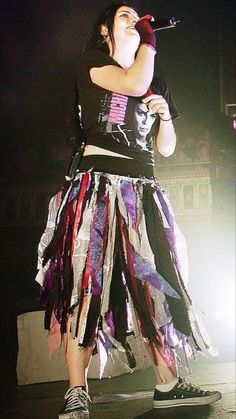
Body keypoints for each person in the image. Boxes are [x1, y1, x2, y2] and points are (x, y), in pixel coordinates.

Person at [35, 3, 222, 418]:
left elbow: (166, 147)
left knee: (154, 285)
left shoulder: (155, 81)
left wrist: (164, 118)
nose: (135, 21)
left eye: (138, 17)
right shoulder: (95, 64)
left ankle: (168, 383)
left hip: (142, 191)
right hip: (99, 188)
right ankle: (76, 390)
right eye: (125, 16)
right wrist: (150, 41)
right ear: (105, 30)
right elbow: (132, 82)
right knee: (88, 285)